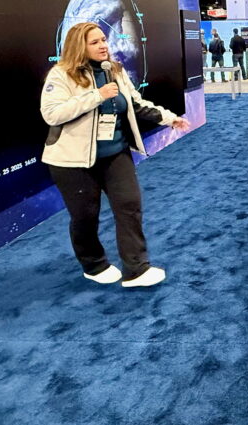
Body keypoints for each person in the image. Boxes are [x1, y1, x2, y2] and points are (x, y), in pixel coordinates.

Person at [41, 22, 190, 287]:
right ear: (79, 46)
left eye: (104, 40)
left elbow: (135, 104)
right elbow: (52, 114)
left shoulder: (115, 71)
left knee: (129, 207)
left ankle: (137, 269)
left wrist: (169, 119)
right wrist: (96, 96)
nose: (103, 46)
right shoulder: (61, 74)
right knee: (85, 216)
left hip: (116, 154)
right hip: (73, 162)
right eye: (95, 42)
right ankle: (94, 264)